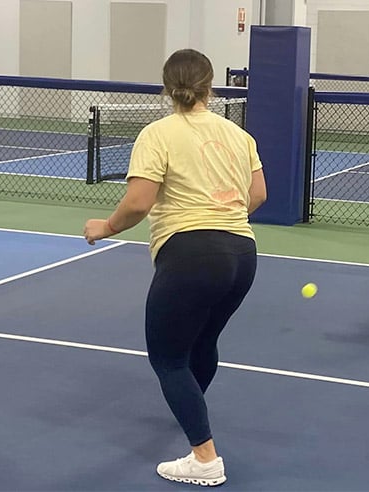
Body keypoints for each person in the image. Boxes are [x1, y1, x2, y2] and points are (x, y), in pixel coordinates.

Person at [83, 49, 267, 486]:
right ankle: (191, 410)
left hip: (190, 256)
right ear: (210, 86)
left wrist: (105, 226)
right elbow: (257, 194)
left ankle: (205, 459)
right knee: (202, 343)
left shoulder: (157, 133)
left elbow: (139, 202)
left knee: (167, 359)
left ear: (168, 87)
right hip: (242, 254)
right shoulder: (237, 135)